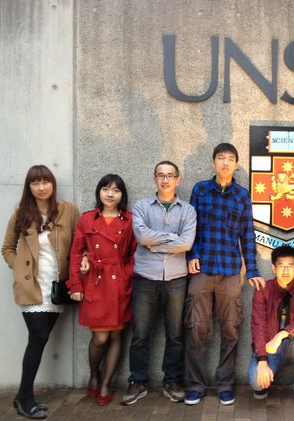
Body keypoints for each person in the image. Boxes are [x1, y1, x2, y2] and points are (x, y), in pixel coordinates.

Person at [184, 143, 264, 406]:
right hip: (202, 271)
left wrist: (251, 269)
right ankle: (195, 385)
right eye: (221, 158)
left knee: (231, 329)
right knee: (197, 328)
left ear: (236, 164)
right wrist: (191, 255)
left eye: (230, 159)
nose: (225, 163)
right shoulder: (200, 190)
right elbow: (190, 228)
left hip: (230, 272)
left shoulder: (242, 195)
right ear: (213, 162)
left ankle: (225, 384)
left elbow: (247, 235)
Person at [2, 165, 80, 419]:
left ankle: (21, 397)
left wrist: (82, 263)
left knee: (40, 338)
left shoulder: (68, 210)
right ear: (29, 187)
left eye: (45, 181)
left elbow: (80, 244)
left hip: (57, 287)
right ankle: (25, 398)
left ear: (52, 184)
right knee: (39, 336)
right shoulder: (21, 214)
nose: (41, 187)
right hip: (31, 286)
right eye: (35, 183)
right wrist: (19, 268)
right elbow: (7, 248)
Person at [121, 161, 196, 405]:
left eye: (170, 175)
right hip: (145, 278)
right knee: (140, 334)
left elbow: (186, 243)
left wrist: (155, 243)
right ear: (155, 179)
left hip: (176, 279)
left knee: (175, 334)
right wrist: (171, 239)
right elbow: (142, 236)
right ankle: (137, 381)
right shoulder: (141, 206)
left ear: (177, 180)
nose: (165, 180)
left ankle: (172, 381)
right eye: (161, 175)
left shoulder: (188, 211)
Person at [68, 174, 137, 406]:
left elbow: (136, 253)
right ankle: (94, 373)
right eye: (106, 189)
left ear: (122, 195)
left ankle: (106, 383)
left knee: (116, 335)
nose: (110, 194)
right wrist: (75, 284)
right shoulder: (87, 219)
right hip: (95, 282)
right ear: (99, 191)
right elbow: (76, 253)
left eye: (116, 190)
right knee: (99, 337)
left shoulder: (129, 220)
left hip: (119, 283)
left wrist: (126, 274)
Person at [248, 245, 294, 411]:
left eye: (290, 266)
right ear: (274, 268)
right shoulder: (263, 289)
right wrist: (262, 360)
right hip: (269, 348)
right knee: (256, 383)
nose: (286, 271)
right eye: (281, 266)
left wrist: (281, 336)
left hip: (292, 345)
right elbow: (258, 325)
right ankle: (265, 378)